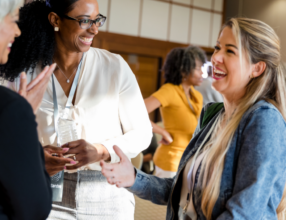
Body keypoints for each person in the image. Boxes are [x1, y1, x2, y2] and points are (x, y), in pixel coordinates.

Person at [0, 0, 152, 219]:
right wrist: (35, 154)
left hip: (106, 193)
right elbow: (0, 136)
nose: (94, 29)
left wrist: (101, 150)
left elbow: (142, 134)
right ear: (55, 20)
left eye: (97, 20)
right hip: (42, 186)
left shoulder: (114, 67)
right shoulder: (23, 70)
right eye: (85, 20)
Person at [101, 18, 286, 220]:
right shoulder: (212, 115)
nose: (215, 58)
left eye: (230, 51)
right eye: (217, 48)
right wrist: (133, 177)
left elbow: (245, 212)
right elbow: (181, 192)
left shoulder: (263, 119)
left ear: (257, 68)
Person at [0, 0, 57, 219]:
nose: (17, 31)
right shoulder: (6, 111)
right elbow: (35, 208)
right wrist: (24, 115)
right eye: (13, 19)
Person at [144, 46, 205, 178]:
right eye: (198, 68)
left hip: (190, 161)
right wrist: (162, 131)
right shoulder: (169, 90)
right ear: (183, 70)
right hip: (170, 162)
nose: (202, 73)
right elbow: (135, 112)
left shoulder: (196, 96)